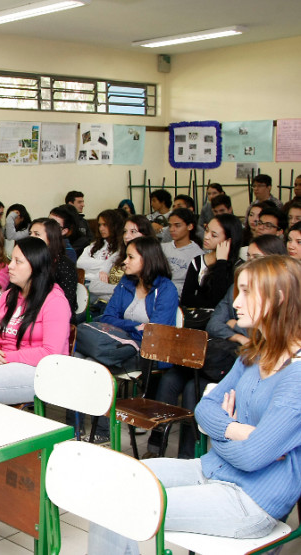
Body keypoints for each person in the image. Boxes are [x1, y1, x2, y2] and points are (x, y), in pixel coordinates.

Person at [89, 255, 301, 554]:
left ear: (278, 298)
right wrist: (237, 430)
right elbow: (204, 408)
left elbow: (253, 457)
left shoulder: (297, 376)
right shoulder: (254, 354)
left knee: (121, 504)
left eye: (247, 292)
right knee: (110, 486)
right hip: (210, 469)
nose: (236, 302)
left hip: (251, 501)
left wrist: (222, 433)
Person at [147, 235, 287, 460]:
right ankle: (157, 445)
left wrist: (234, 326)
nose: (237, 302)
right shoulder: (249, 352)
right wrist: (241, 337)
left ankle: (188, 455)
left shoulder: (291, 368)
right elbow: (214, 323)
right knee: (171, 379)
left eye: (257, 258)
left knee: (195, 390)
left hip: (226, 359)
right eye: (248, 256)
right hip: (228, 354)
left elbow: (262, 450)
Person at [0, 237, 70, 404]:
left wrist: (6, 358)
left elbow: (50, 353)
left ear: (36, 266)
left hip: (39, 370)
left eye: (18, 262)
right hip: (3, 360)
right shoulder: (8, 296)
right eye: (12, 260)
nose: (10, 266)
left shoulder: (55, 301)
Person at [99, 236, 179, 368]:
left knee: (92, 363)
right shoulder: (126, 282)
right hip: (122, 343)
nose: (125, 261)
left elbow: (155, 333)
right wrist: (135, 326)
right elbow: (107, 318)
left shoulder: (166, 289)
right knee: (83, 358)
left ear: (147, 259)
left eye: (131, 257)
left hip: (150, 352)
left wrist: (121, 328)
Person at [87, 215, 155, 309]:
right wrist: (120, 288)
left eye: (133, 232)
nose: (126, 236)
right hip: (101, 304)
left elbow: (134, 292)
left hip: (121, 309)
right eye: (125, 232)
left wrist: (109, 288)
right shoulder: (117, 255)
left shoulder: (148, 261)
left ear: (145, 234)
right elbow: (93, 286)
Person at [180, 213, 243, 309]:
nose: (206, 236)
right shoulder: (198, 261)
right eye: (207, 230)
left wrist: (221, 262)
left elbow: (220, 300)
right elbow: (186, 299)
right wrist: (208, 302)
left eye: (214, 235)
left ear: (228, 240)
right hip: (199, 318)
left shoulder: (239, 266)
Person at [29, 218, 77, 317]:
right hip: (28, 313)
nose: (31, 237)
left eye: (37, 234)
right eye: (30, 233)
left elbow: (66, 303)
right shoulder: (27, 261)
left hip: (56, 316)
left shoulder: (65, 265)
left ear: (51, 239)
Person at [76, 209, 124, 288]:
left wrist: (90, 266)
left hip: (104, 285)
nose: (101, 229)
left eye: (105, 225)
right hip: (86, 281)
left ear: (114, 226)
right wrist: (103, 265)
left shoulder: (121, 247)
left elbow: (110, 268)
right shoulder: (95, 245)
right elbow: (80, 263)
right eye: (99, 225)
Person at [161, 208, 203, 295]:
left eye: (177, 225)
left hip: (180, 295)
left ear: (190, 226)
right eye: (170, 225)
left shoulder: (197, 253)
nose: (172, 229)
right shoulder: (162, 248)